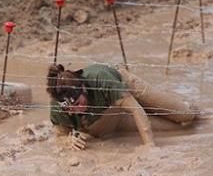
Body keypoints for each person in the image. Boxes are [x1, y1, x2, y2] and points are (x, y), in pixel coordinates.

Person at [47, 63, 198, 150]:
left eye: (78, 104)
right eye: (69, 109)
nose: (75, 110)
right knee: (178, 129)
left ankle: (189, 103)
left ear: (84, 89)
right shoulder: (58, 106)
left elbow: (135, 109)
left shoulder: (101, 79)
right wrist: (68, 141)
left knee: (185, 116)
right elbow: (60, 135)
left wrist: (149, 147)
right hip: (108, 118)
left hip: (125, 88)